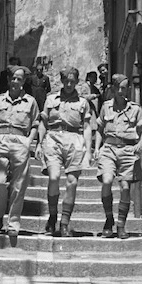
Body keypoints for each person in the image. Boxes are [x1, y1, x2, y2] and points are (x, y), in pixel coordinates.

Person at [35, 67, 92, 237]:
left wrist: (88, 151)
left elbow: (87, 127)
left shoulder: (83, 103)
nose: (69, 84)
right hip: (53, 139)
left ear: (76, 81)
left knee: (72, 182)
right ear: (61, 81)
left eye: (72, 81)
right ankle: (52, 217)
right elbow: (43, 123)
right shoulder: (51, 99)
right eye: (66, 81)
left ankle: (65, 222)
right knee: (53, 178)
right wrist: (39, 143)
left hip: (74, 140)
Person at [0, 65, 40, 247]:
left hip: (20, 141)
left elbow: (35, 124)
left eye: (19, 79)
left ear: (24, 81)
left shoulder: (30, 102)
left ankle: (13, 224)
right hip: (0, 139)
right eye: (13, 78)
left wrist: (29, 141)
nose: (15, 81)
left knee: (18, 185)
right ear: (8, 80)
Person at [93, 73, 142, 238]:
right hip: (109, 148)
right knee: (107, 181)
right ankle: (109, 219)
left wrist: (140, 144)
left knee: (125, 187)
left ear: (128, 89)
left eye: (124, 88)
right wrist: (96, 148)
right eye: (118, 88)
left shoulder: (135, 109)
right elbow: (100, 129)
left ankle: (121, 225)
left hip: (127, 150)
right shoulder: (106, 107)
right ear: (113, 89)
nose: (121, 91)